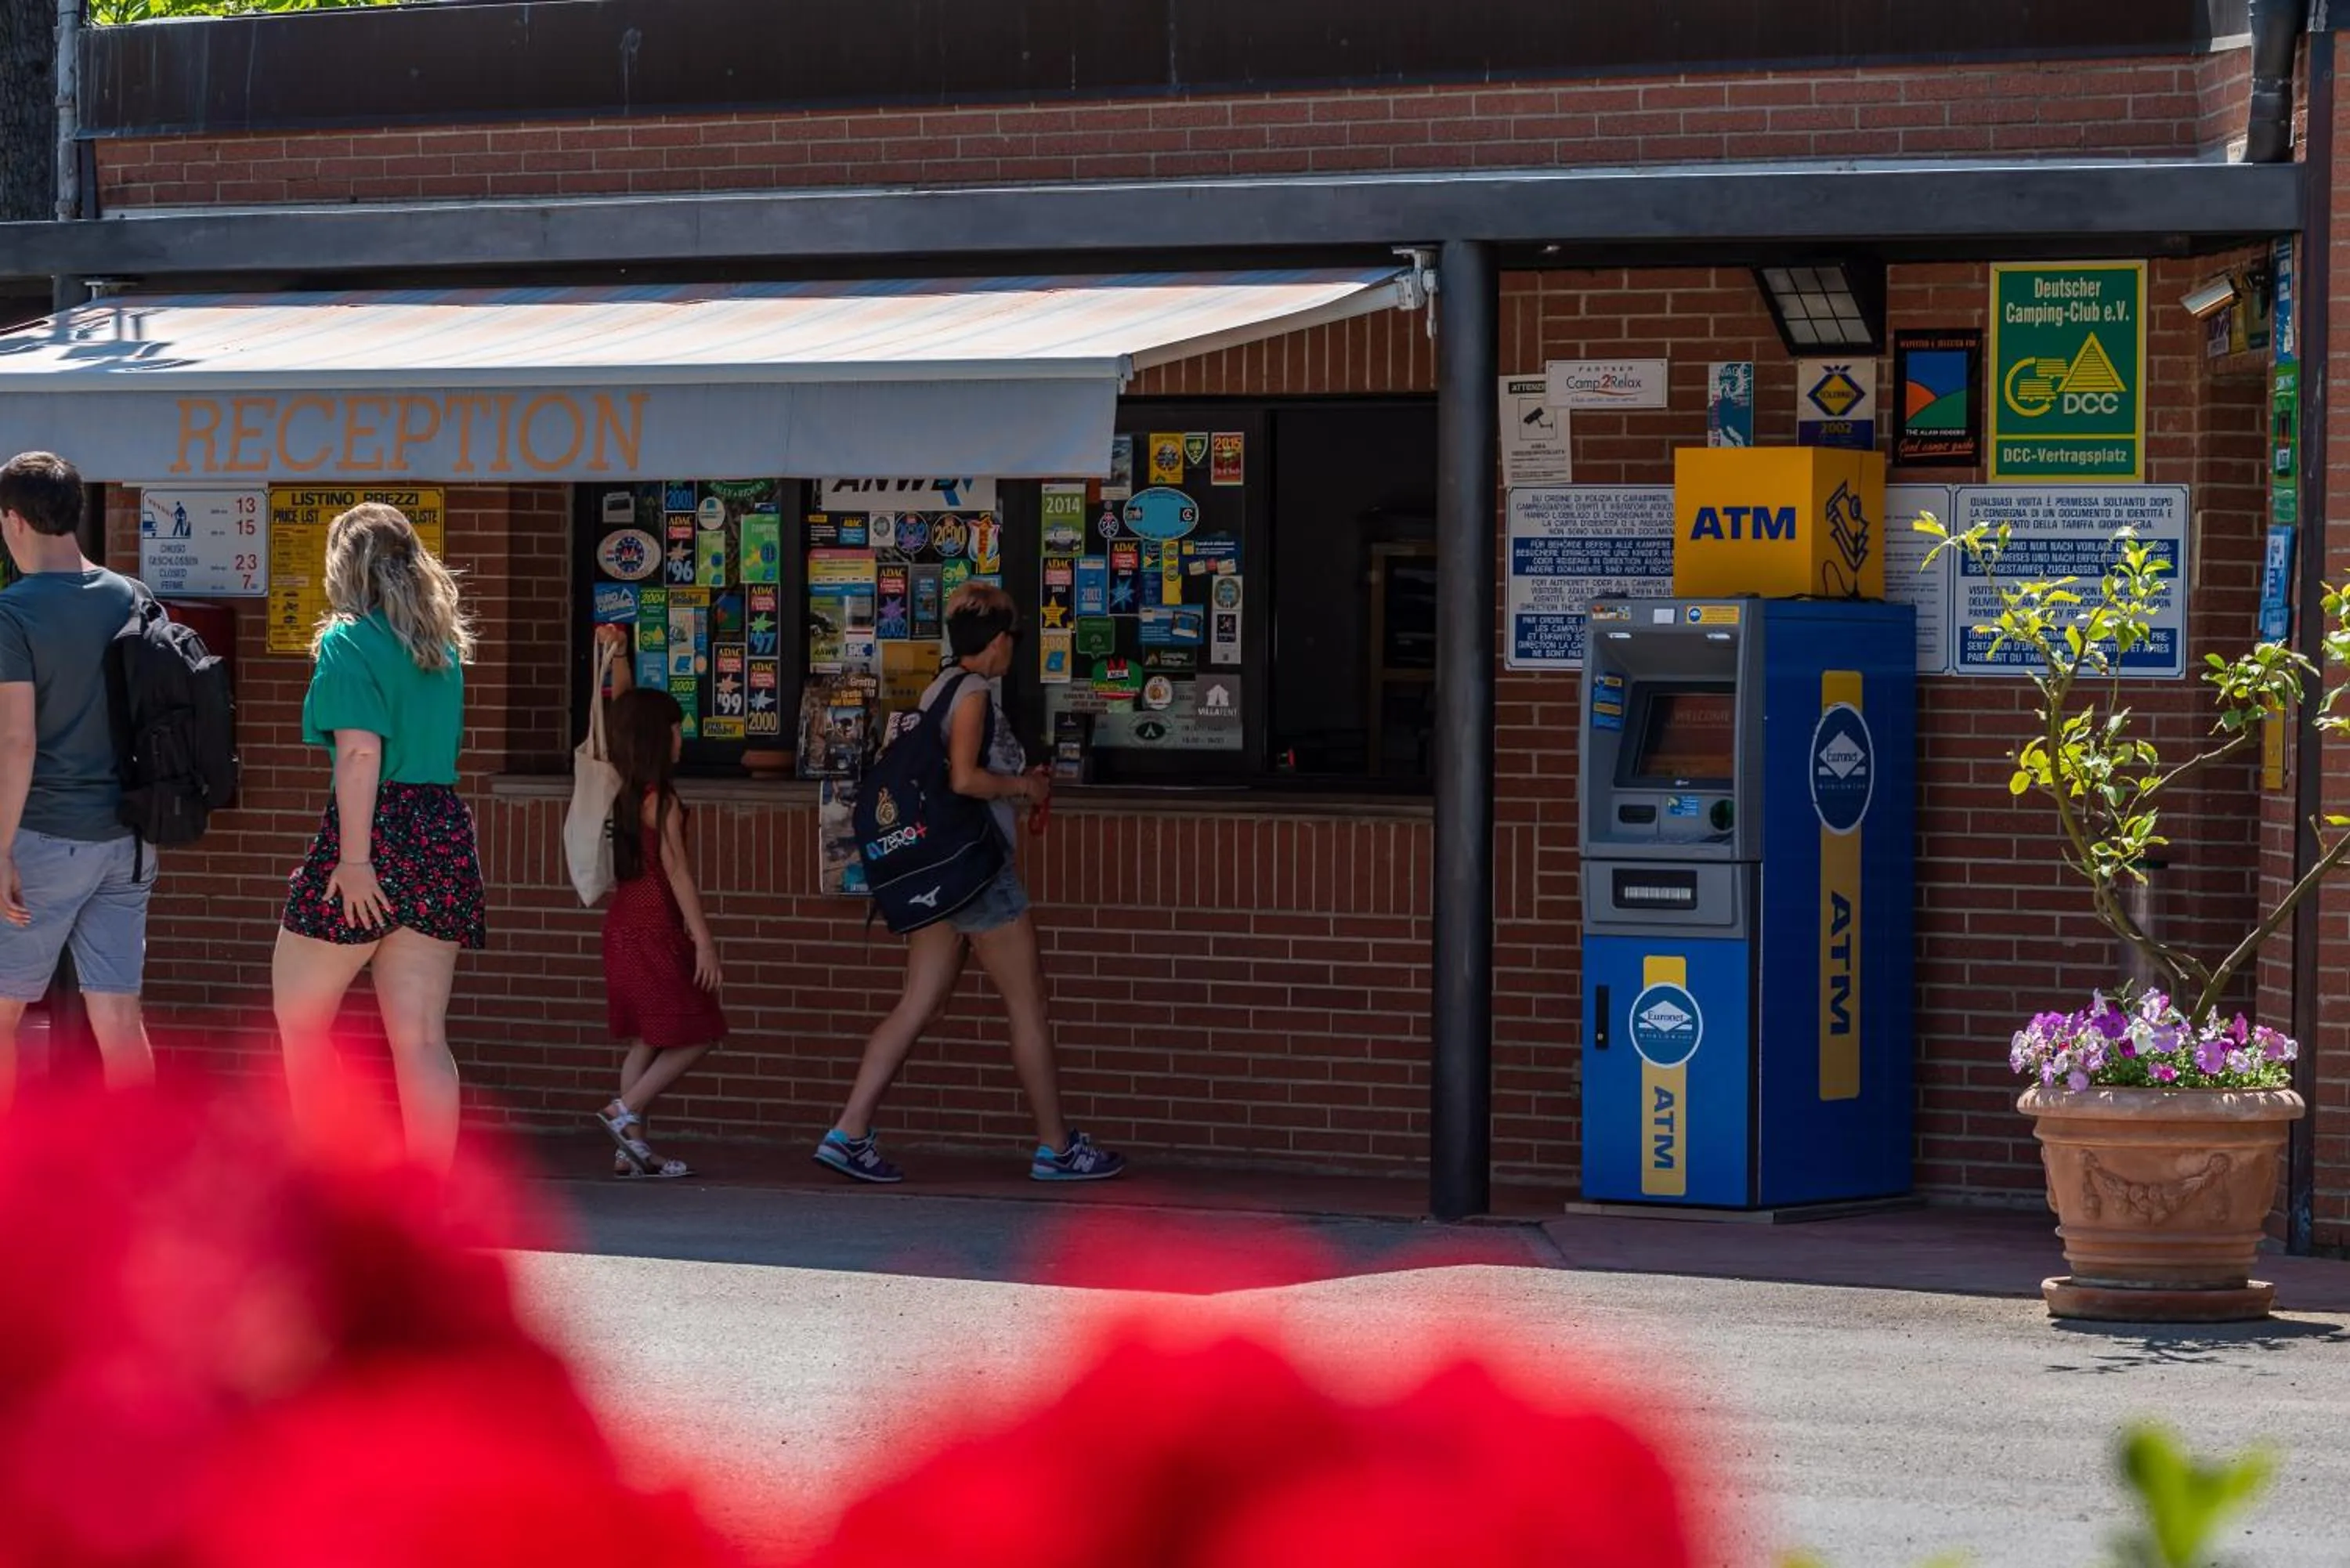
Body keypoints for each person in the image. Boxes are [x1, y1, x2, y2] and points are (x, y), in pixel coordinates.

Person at [816, 582, 1124, 1185]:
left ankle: (849, 1131)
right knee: (1028, 1003)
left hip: (934, 874)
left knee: (917, 1004)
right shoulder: (975, 692)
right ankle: (1057, 1147)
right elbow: (963, 779)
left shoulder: (936, 690)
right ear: (999, 640)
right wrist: (1025, 789)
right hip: (974, 872)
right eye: (1014, 638)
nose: (1015, 649)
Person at [273, 504, 482, 1174]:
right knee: (422, 1037)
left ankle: (328, 1184)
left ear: (344, 566)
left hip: (376, 832)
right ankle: (429, 1198)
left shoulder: (346, 641)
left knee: (301, 1025)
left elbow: (359, 755)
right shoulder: (440, 648)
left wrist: (355, 859)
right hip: (442, 829)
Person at [0, 452, 156, 1110]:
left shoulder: (13, 612)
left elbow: (17, 740)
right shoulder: (134, 595)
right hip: (128, 839)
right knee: (119, 1018)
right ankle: (151, 1173)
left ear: (13, 520)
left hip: (43, 834)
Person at [588, 625, 722, 1180]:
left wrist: (617, 656)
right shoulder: (660, 799)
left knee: (648, 1035)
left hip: (622, 926)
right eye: (675, 730)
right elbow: (679, 873)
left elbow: (622, 711)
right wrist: (704, 941)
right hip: (656, 925)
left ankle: (631, 1149)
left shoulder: (620, 783)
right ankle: (625, 1112)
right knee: (701, 1029)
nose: (680, 740)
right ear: (657, 737)